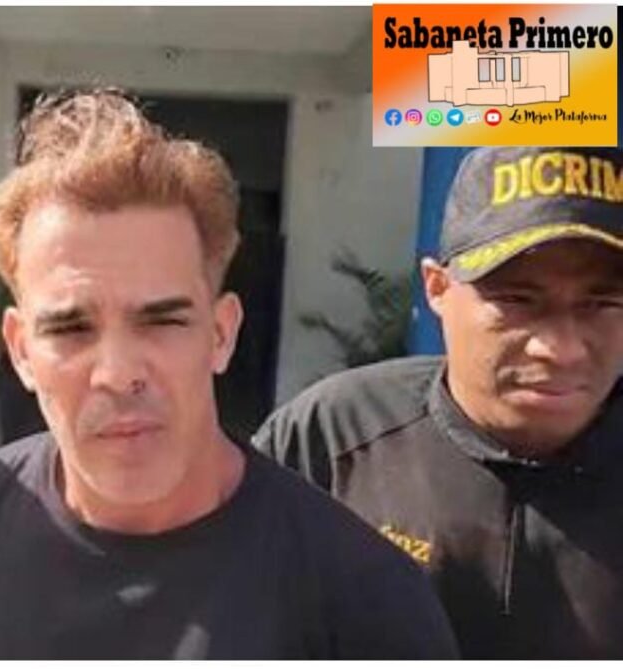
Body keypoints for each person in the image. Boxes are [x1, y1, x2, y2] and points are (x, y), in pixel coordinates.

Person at [0, 90, 458, 660]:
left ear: (221, 333)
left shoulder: (364, 597)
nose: (118, 373)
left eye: (163, 321)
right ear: (22, 351)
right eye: (71, 328)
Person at [253, 146, 623, 659]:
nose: (560, 348)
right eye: (517, 300)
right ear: (437, 287)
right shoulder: (333, 437)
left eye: (602, 304)